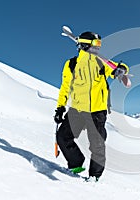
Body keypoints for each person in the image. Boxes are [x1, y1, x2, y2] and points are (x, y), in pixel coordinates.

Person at [54, 31, 129, 181]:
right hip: (77, 109)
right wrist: (60, 107)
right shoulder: (71, 64)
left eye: (99, 45)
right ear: (85, 45)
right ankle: (76, 163)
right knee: (62, 136)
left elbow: (117, 67)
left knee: (97, 144)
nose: (98, 49)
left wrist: (122, 70)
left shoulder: (101, 62)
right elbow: (65, 87)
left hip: (97, 110)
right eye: (96, 45)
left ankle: (94, 176)